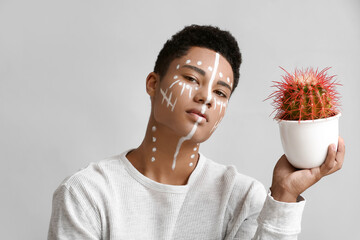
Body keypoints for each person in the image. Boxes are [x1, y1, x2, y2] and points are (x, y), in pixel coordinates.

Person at [48, 25, 345, 239]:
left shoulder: (242, 198)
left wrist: (284, 195)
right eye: (191, 78)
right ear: (153, 83)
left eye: (221, 92)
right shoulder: (86, 193)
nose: (206, 98)